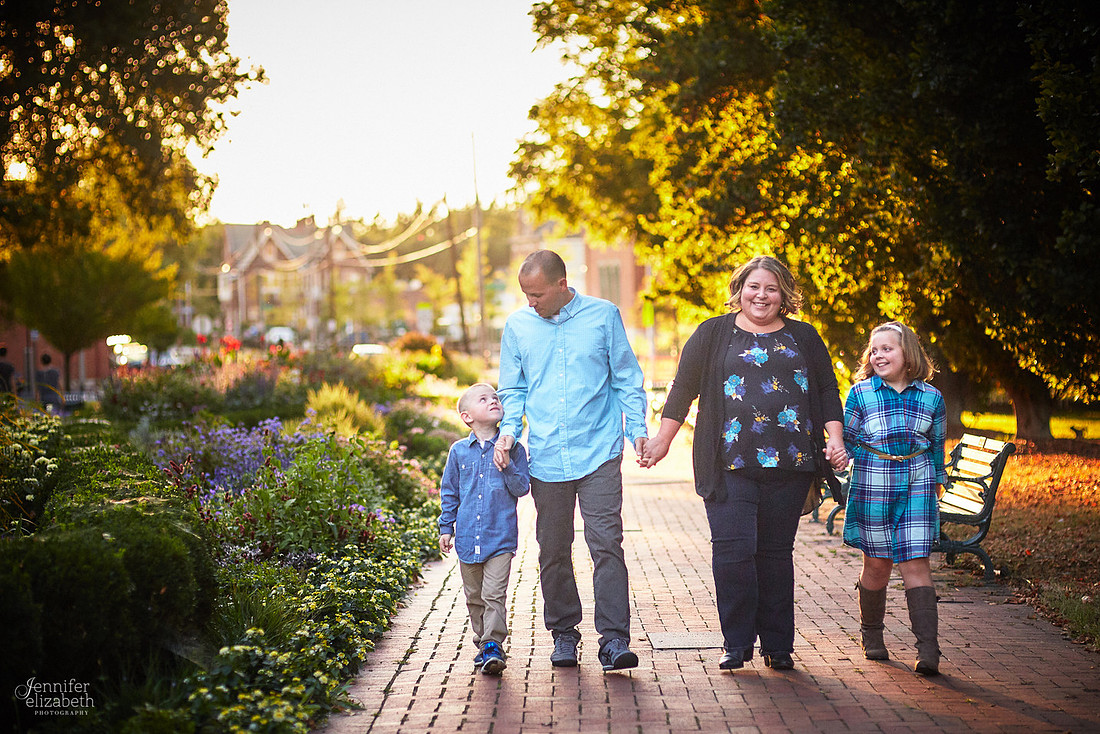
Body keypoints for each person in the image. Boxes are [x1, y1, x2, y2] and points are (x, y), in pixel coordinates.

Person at [640, 255, 848, 671]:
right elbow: (683, 388)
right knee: (733, 551)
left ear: (784, 295)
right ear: (739, 290)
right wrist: (663, 439)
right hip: (728, 463)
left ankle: (778, 645)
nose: (762, 296)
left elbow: (827, 389)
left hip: (790, 462)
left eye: (771, 289)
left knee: (774, 555)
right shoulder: (713, 332)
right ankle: (736, 643)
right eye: (754, 287)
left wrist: (836, 440)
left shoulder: (804, 336)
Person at [494, 249, 648, 671]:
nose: (531, 303)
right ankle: (564, 633)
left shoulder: (603, 316)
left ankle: (614, 640)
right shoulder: (518, 327)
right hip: (546, 456)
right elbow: (513, 390)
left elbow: (626, 379)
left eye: (537, 294)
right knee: (553, 550)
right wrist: (508, 431)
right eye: (526, 295)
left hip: (599, 452)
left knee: (607, 545)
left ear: (562, 284)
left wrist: (637, 431)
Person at [842, 321, 947, 675]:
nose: (878, 355)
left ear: (908, 353)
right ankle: (871, 634)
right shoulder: (861, 393)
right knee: (877, 565)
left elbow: (937, 446)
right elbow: (848, 440)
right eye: (874, 350)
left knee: (916, 563)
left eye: (887, 349)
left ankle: (928, 650)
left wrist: (937, 484)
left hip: (918, 482)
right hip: (873, 482)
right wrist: (837, 455)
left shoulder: (932, 397)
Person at [439, 383, 531, 676]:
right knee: (474, 598)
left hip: (500, 537)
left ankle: (493, 644)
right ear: (467, 417)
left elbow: (522, 488)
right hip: (467, 538)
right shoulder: (458, 452)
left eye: (495, 397)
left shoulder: (514, 449)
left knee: (494, 595)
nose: (493, 400)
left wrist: (507, 465)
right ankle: (483, 643)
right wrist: (446, 527)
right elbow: (450, 492)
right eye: (483, 399)